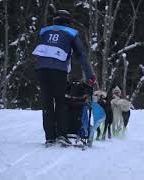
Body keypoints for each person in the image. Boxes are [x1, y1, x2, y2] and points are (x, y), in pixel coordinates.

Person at [32, 9, 96, 146]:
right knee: (60, 101)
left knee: (47, 103)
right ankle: (61, 135)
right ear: (68, 22)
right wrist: (90, 75)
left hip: (41, 69)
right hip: (59, 70)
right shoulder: (71, 33)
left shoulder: (44, 31)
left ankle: (50, 137)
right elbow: (81, 55)